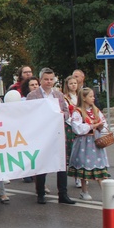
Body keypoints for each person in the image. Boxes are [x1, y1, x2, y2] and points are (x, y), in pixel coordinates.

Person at [26, 68, 75, 205]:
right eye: (46, 79)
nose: (49, 82)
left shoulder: (58, 95)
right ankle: (40, 193)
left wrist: (61, 115)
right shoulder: (33, 95)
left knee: (61, 165)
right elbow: (28, 114)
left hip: (57, 134)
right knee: (42, 164)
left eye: (51, 79)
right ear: (40, 80)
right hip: (41, 135)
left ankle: (63, 194)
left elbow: (66, 112)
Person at [68, 88, 110, 201]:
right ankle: (84, 191)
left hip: (95, 141)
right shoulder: (78, 112)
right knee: (84, 165)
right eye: (91, 96)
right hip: (84, 143)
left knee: (99, 166)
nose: (93, 98)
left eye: (93, 96)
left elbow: (103, 122)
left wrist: (100, 126)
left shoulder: (95, 110)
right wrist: (92, 126)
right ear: (84, 98)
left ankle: (106, 192)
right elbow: (77, 128)